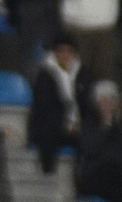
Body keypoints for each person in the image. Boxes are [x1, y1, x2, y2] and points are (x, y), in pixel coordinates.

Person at [29, 35, 88, 175]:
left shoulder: (83, 74)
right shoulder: (45, 75)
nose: (65, 55)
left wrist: (78, 125)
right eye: (61, 51)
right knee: (48, 132)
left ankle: (82, 176)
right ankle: (47, 173)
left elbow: (86, 102)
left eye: (69, 51)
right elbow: (44, 106)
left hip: (78, 125)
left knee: (91, 136)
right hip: (53, 123)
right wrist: (66, 126)